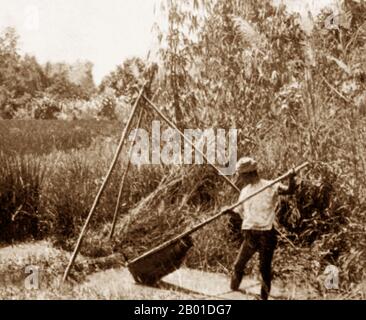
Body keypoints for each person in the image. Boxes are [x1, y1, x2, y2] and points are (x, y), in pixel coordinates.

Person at [224, 157, 296, 300]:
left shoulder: (271, 186)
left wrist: (291, 178)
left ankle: (264, 298)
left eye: (242, 175)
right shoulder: (245, 191)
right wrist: (228, 211)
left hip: (266, 235)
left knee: (264, 269)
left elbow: (289, 191)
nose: (240, 178)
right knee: (238, 265)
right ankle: (233, 291)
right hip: (250, 235)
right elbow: (238, 212)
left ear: (250, 173)